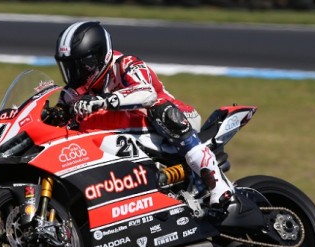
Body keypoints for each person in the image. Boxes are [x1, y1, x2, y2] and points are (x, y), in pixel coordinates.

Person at [43, 21, 234, 208]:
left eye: (81, 66)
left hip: (169, 121)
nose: (76, 74)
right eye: (69, 68)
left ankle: (218, 186)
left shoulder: (127, 64)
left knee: (161, 111)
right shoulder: (76, 89)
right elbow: (61, 111)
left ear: (99, 56)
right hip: (125, 129)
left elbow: (147, 93)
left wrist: (103, 101)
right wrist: (51, 114)